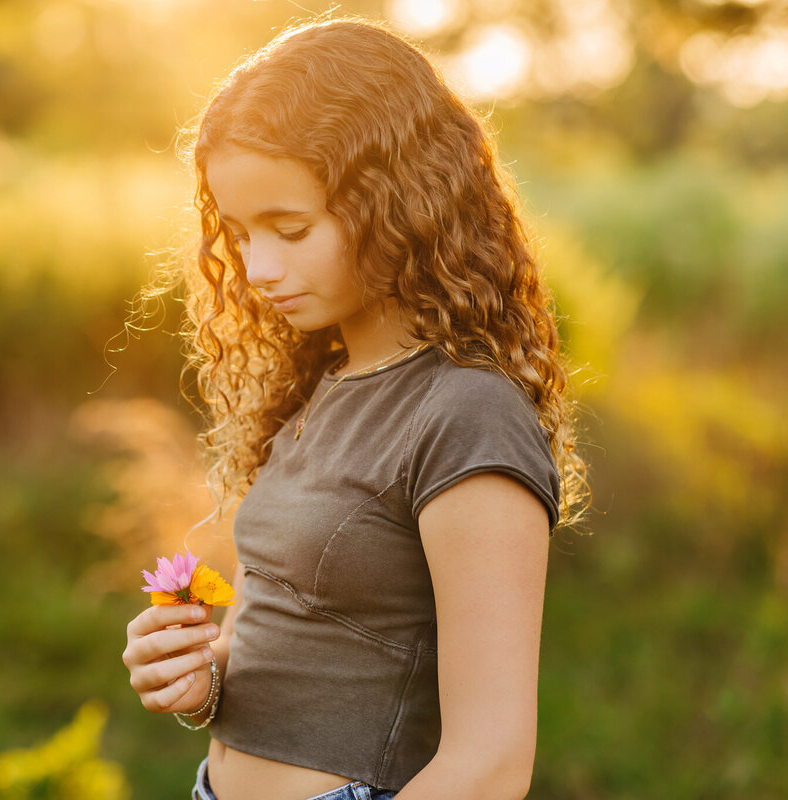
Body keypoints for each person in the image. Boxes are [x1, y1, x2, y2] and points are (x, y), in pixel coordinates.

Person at [122, 16, 588, 800]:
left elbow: (492, 763)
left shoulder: (465, 413)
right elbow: (296, 643)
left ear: (396, 199)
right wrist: (197, 676)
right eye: (238, 234)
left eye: (291, 228)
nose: (259, 268)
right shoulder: (319, 386)